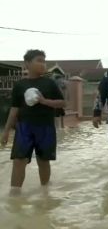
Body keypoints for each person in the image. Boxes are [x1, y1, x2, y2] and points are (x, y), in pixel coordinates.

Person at [0, 50, 65, 195]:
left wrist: (44, 101)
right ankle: (15, 196)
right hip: (24, 127)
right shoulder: (20, 85)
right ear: (27, 64)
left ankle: (45, 193)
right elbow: (14, 109)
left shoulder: (50, 83)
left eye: (44, 61)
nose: (43, 64)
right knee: (18, 161)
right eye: (39, 60)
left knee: (43, 161)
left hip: (45, 127)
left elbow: (62, 103)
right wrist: (6, 132)